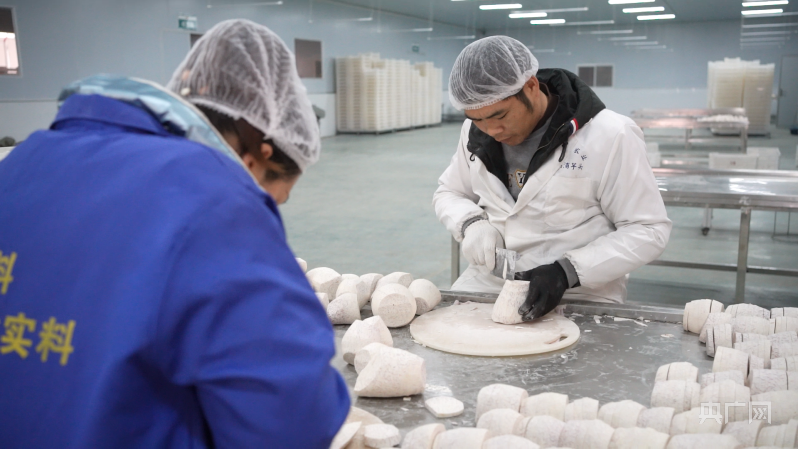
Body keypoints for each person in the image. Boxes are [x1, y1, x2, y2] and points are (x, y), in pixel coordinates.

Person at [0, 19, 349, 448]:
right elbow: (291, 418)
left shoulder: (21, 163)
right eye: (276, 197)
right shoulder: (216, 199)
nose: (267, 210)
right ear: (258, 156)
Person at [434, 36, 671, 320]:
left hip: (578, 292)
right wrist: (472, 224)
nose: (491, 130)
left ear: (531, 86)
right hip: (489, 283)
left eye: (500, 115)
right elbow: (449, 192)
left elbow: (648, 229)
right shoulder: (476, 132)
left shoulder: (610, 134)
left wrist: (568, 271)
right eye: (477, 119)